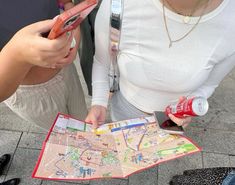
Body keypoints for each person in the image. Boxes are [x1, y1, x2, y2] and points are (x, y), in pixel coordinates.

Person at [86, 0, 235, 128]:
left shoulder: (230, 21)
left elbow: (210, 84)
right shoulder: (118, 5)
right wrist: (99, 102)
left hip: (172, 123)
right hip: (123, 112)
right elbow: (102, 61)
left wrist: (188, 108)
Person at [0, 0, 87, 130]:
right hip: (29, 91)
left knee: (85, 126)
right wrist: (18, 52)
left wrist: (74, 29)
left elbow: (66, 3)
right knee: (70, 136)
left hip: (66, 70)